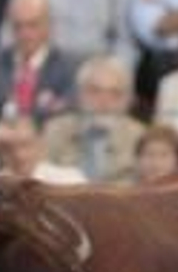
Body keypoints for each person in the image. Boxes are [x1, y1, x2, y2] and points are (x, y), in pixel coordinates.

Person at [40, 55, 145, 184]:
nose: (104, 101)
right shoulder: (55, 130)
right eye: (95, 91)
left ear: (127, 100)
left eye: (115, 93)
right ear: (80, 94)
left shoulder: (139, 136)